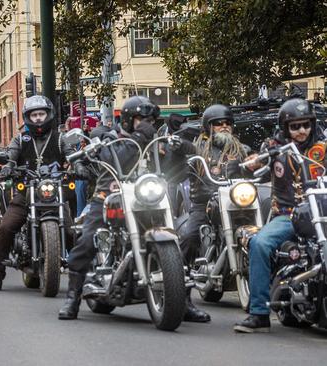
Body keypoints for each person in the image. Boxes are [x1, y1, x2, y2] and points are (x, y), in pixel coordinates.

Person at [58, 95, 158, 320]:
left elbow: (172, 163)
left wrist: (183, 146)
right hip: (108, 196)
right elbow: (116, 160)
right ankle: (72, 298)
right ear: (128, 120)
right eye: (141, 120)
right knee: (88, 238)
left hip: (147, 200)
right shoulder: (110, 139)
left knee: (179, 238)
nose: (146, 125)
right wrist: (141, 137)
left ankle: (183, 300)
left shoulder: (154, 140)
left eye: (150, 121)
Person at [234, 98, 325, 333]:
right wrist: (251, 161)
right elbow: (252, 164)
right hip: (288, 214)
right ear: (286, 127)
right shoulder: (274, 147)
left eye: (306, 125)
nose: (302, 130)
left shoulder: (323, 148)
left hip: (322, 214)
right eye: (295, 126)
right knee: (260, 243)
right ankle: (259, 313)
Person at [0, 95, 83, 291]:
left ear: (49, 115)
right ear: (28, 117)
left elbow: (72, 154)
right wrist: (8, 167)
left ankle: (84, 279)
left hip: (54, 195)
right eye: (34, 115)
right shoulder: (21, 139)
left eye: (41, 114)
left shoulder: (60, 138)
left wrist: (79, 165)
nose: (38, 118)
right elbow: (11, 157)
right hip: (26, 194)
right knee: (6, 227)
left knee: (73, 232)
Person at [172, 104, 254, 322]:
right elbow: (179, 167)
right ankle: (183, 298)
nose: (224, 127)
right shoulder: (197, 150)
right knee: (189, 237)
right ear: (207, 127)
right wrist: (177, 152)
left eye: (227, 123)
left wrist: (261, 159)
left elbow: (255, 166)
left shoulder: (242, 150)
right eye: (218, 124)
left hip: (235, 203)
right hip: (204, 202)